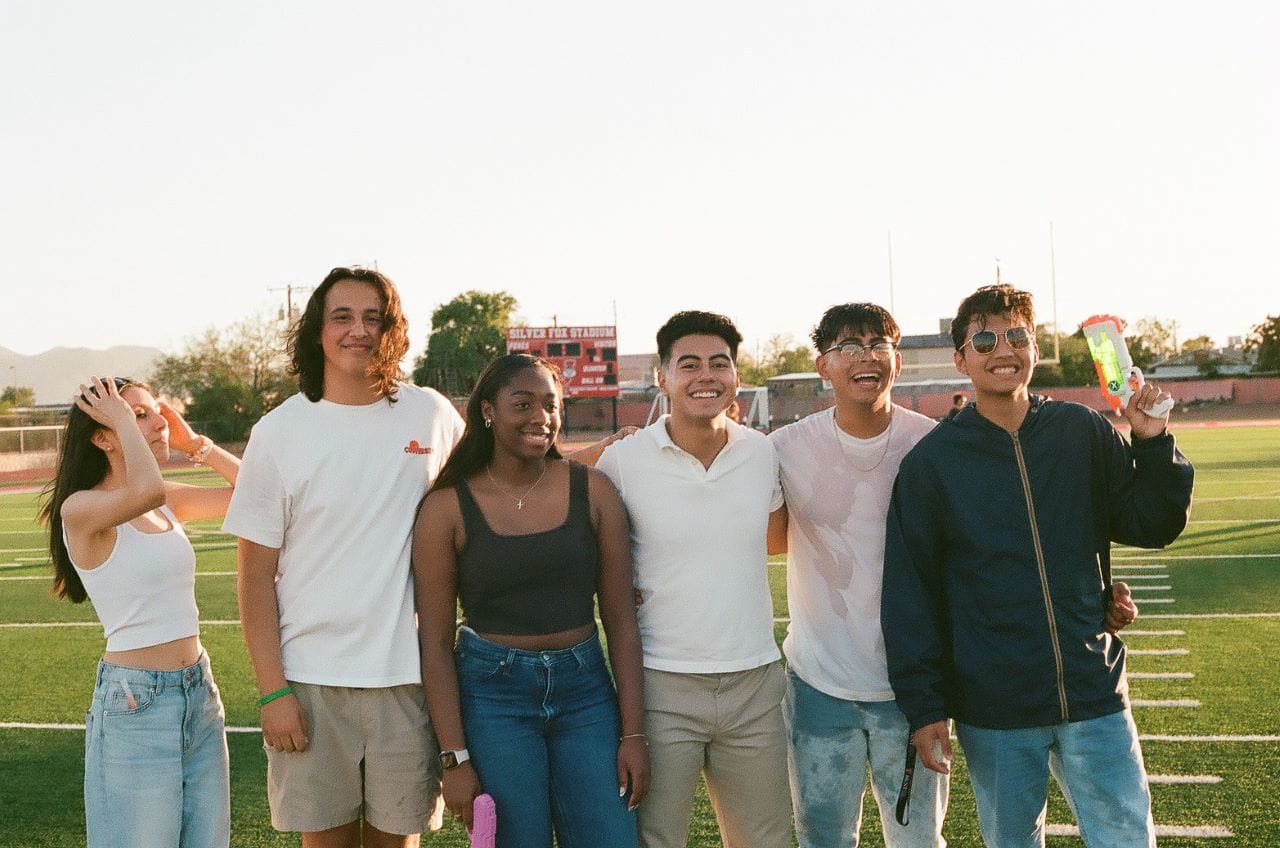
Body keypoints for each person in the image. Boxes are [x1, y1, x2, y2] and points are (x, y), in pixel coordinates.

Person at [882, 283, 1192, 848]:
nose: (1003, 348)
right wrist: (925, 707)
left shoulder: (1081, 430)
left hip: (1092, 687)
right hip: (994, 707)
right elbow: (911, 594)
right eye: (984, 337)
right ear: (961, 359)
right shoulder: (932, 463)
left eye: (1016, 334)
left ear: (1035, 346)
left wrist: (1151, 441)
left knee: (1125, 837)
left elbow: (1151, 524)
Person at [224, 267, 465, 847]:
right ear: (317, 331)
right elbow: (255, 575)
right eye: (342, 316)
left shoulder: (430, 414)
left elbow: (501, 486)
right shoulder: (278, 432)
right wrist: (273, 690)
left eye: (373, 317)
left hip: (408, 681)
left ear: (392, 331)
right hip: (309, 684)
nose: (358, 330)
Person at [412, 353, 648, 848]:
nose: (541, 417)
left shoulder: (595, 491)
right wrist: (454, 757)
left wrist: (633, 735)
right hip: (492, 697)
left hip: (586, 693)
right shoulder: (446, 508)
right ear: (487, 412)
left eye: (550, 404)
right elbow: (433, 642)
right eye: (523, 404)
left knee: (611, 838)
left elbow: (622, 623)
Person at [597, 310, 791, 848]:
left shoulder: (763, 453)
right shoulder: (623, 460)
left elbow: (774, 540)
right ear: (663, 377)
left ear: (736, 375)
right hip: (662, 685)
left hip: (754, 683)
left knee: (767, 839)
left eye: (719, 363)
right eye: (689, 364)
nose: (706, 376)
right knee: (657, 838)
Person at [766, 303, 948, 848]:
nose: (865, 356)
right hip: (818, 682)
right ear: (823, 365)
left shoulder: (934, 444)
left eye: (878, 343)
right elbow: (763, 540)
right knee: (823, 838)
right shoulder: (785, 448)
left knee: (918, 840)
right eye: (848, 345)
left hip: (911, 686)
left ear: (898, 359)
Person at [41, 375, 240, 848]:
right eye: (140, 414)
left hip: (199, 695)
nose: (159, 424)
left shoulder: (165, 499)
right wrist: (128, 424)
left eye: (157, 412)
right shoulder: (82, 508)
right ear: (102, 436)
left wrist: (199, 446)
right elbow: (146, 490)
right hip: (136, 705)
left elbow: (256, 496)